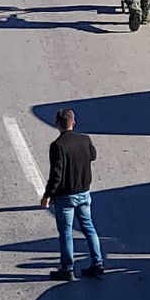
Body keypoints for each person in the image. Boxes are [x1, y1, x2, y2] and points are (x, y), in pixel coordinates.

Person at [40, 109, 105, 281]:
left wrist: (47, 195)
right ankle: (98, 264)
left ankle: (67, 268)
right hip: (84, 193)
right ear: (73, 123)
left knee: (66, 233)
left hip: (65, 196)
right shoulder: (85, 139)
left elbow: (56, 174)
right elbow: (93, 155)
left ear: (57, 124)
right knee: (89, 228)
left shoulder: (57, 146)